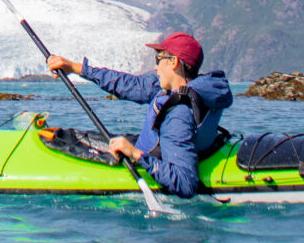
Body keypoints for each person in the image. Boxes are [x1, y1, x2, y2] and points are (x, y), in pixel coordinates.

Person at [45, 32, 231, 199]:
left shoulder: (178, 114)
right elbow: (129, 85)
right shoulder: (181, 88)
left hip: (156, 159)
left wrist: (135, 154)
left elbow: (185, 183)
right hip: (164, 148)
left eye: (158, 59)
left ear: (173, 62)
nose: (156, 67)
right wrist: (78, 69)